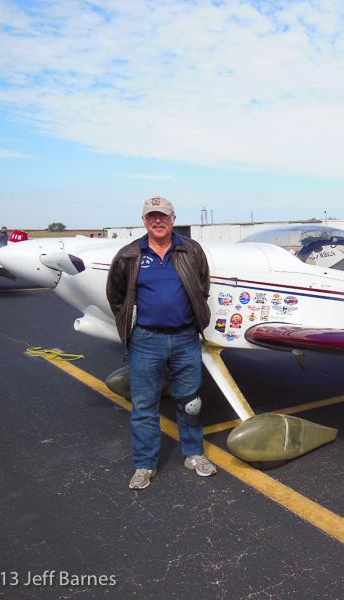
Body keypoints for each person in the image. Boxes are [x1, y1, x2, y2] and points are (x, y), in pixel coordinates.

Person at [106, 196, 216, 490]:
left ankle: (193, 454)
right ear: (144, 221)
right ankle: (144, 464)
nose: (158, 221)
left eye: (163, 216)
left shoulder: (191, 250)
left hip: (185, 338)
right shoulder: (129, 255)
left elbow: (202, 286)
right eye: (152, 216)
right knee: (144, 406)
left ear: (173, 219)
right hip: (146, 340)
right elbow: (116, 296)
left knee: (190, 402)